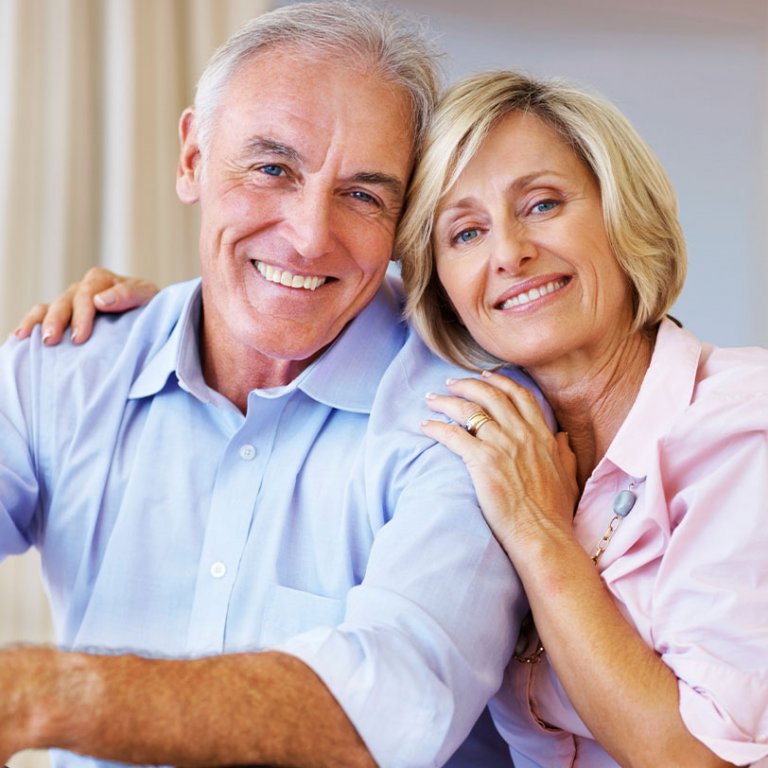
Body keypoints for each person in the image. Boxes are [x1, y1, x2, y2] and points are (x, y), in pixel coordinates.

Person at [0, 6, 544, 766]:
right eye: (272, 169)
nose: (310, 235)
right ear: (192, 157)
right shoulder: (65, 364)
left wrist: (44, 695)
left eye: (363, 194)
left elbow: (384, 712)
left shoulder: (472, 418)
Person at [397, 71, 768, 767]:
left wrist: (541, 536)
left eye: (541, 205)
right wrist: (154, 315)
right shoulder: (489, 436)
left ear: (622, 211)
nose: (508, 253)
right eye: (466, 232)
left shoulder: (744, 427)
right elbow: (323, 292)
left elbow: (700, 759)